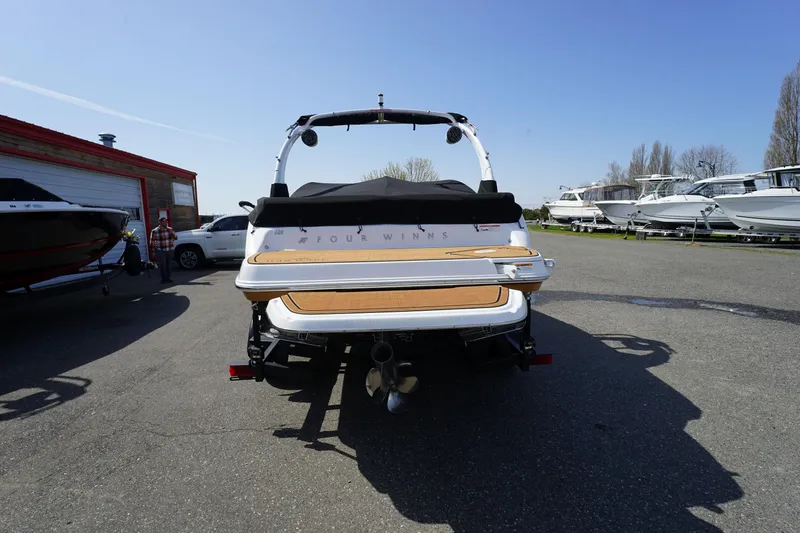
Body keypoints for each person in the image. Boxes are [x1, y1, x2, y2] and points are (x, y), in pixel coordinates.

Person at [150, 216, 178, 283]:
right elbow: (152, 241)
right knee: (163, 264)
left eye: (166, 221)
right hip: (160, 250)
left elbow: (176, 237)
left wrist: (173, 236)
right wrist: (153, 251)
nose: (166, 223)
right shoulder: (155, 231)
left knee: (168, 264)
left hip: (169, 249)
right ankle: (163, 279)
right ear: (160, 222)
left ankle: (168, 278)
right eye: (164, 221)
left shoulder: (169, 229)